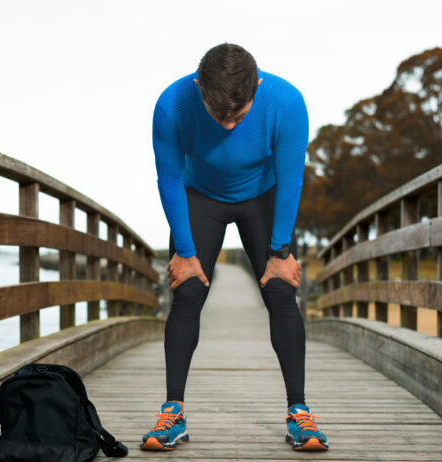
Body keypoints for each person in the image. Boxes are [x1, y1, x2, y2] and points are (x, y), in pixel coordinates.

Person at [140, 43, 328, 452]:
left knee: (281, 293)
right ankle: (173, 413)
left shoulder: (286, 103)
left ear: (256, 88)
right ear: (199, 87)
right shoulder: (172, 105)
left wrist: (280, 252)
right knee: (186, 292)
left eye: (238, 115)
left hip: (262, 196)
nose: (227, 125)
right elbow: (169, 180)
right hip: (199, 194)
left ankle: (299, 413)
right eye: (217, 114)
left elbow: (291, 179)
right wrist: (185, 254)